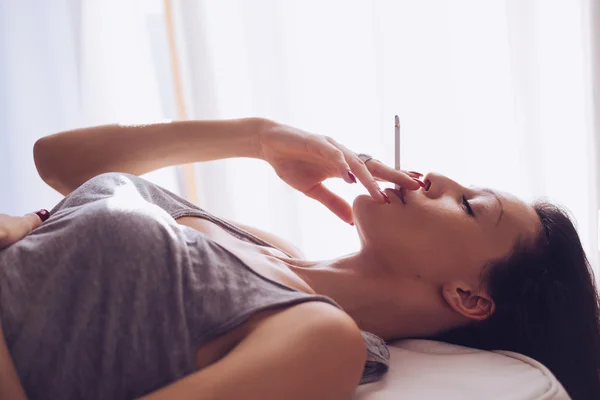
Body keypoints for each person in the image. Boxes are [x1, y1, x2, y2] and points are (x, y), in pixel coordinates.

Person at [0, 118, 598, 399]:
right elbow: (59, 160)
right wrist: (257, 138)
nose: (435, 177)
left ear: (469, 296)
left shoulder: (321, 339)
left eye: (469, 206)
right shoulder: (265, 248)